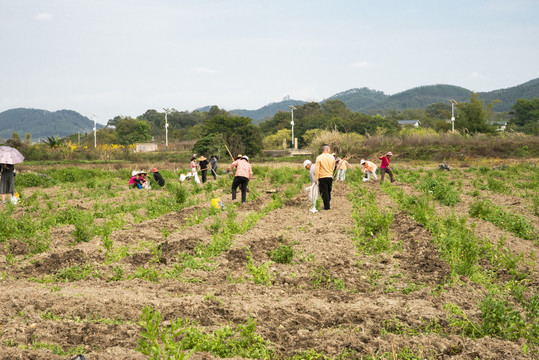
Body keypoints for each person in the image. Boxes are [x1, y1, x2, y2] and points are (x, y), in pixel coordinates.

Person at [315, 144, 335, 211]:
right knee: (329, 191)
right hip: (329, 176)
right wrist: (330, 172)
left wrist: (316, 178)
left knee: (324, 192)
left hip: (322, 176)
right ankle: (327, 204)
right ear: (327, 150)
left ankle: (326, 206)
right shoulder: (332, 157)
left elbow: (317, 168)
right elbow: (333, 167)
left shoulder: (319, 157)